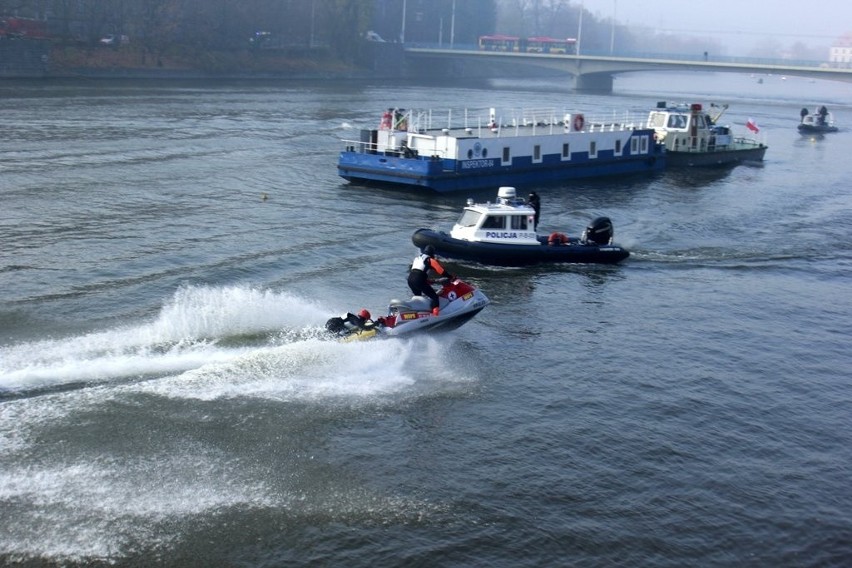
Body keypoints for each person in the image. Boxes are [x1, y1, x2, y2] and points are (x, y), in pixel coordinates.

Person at [408, 245, 452, 315]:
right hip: (418, 280)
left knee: (418, 298)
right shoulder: (429, 260)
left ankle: (418, 314)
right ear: (431, 253)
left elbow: (417, 271)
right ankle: (435, 316)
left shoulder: (417, 258)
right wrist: (450, 277)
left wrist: (428, 281)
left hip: (410, 279)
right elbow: (441, 271)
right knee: (434, 297)